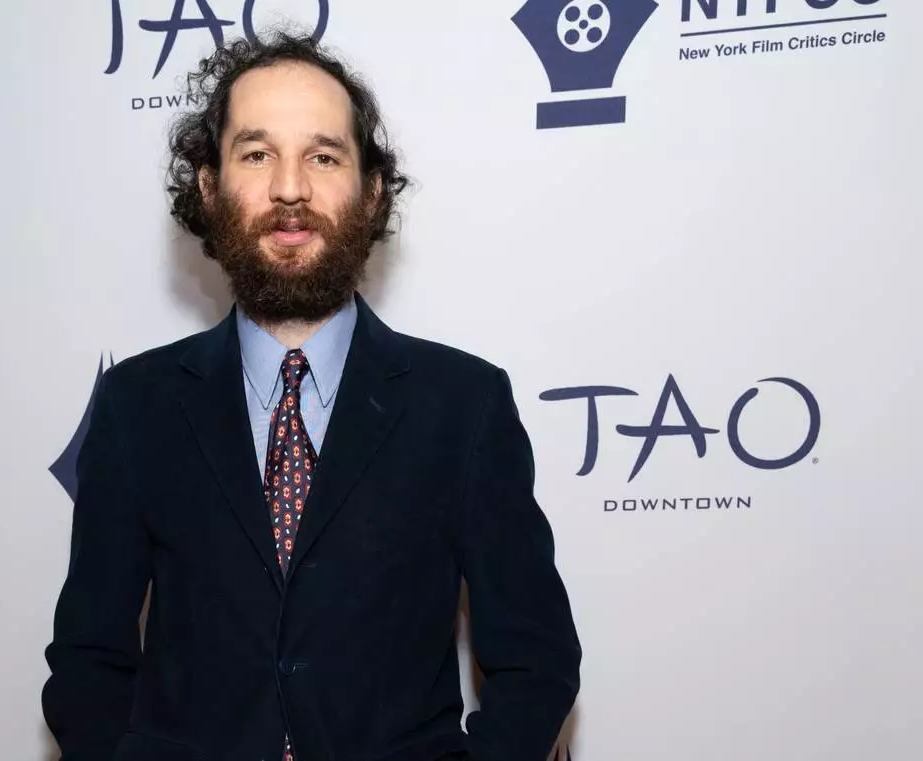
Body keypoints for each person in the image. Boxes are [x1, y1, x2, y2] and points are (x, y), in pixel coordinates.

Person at [42, 31, 581, 761]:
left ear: (372, 187)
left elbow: (536, 660)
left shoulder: (464, 406)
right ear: (209, 185)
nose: (289, 188)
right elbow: (88, 660)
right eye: (256, 154)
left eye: (323, 156)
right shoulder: (137, 405)